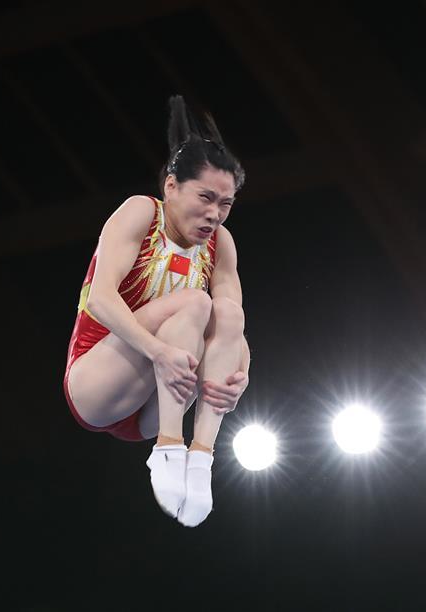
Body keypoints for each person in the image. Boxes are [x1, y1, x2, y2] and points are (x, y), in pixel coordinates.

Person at [63, 96, 251, 527]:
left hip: (155, 399)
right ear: (171, 186)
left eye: (225, 204)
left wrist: (239, 378)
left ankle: (200, 458)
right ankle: (168, 447)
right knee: (197, 301)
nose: (214, 214)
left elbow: (232, 332)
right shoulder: (141, 212)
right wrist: (158, 352)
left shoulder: (221, 245)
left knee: (225, 313)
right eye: (205, 197)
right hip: (96, 383)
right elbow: (100, 299)